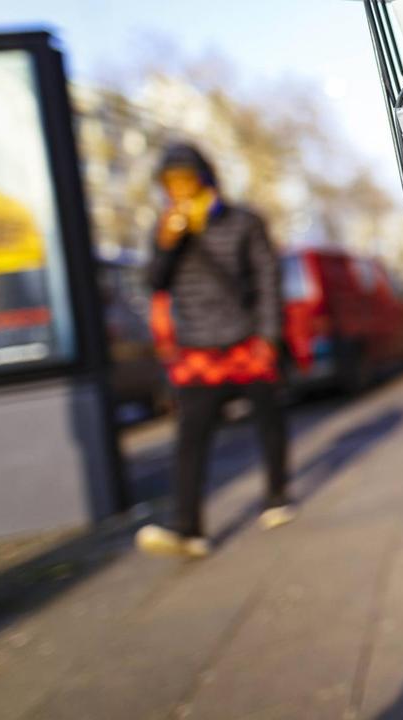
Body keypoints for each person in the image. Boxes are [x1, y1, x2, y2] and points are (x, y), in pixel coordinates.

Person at [135, 142, 294, 558]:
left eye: (185, 181)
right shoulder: (166, 227)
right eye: (171, 184)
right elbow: (154, 283)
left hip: (247, 340)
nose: (179, 190)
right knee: (191, 437)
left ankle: (276, 495)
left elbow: (267, 280)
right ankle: (189, 529)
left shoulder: (243, 222)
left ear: (204, 179)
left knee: (269, 421)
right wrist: (169, 244)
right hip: (199, 347)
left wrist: (269, 337)